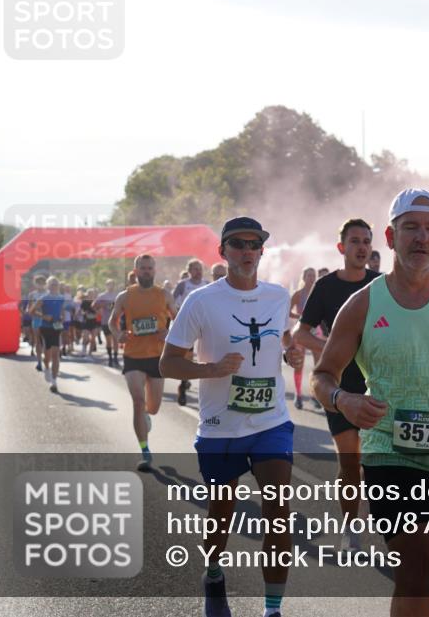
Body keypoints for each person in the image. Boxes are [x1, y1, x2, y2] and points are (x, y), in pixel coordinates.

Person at [311, 189, 429, 616]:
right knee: (414, 569)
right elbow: (321, 377)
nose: (421, 237)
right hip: (390, 453)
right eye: (410, 228)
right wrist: (343, 399)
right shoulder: (363, 303)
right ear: (390, 234)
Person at [161, 216, 303, 617]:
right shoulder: (201, 300)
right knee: (221, 516)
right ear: (223, 252)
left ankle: (272, 609)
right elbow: (168, 363)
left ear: (262, 250)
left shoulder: (278, 296)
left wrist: (291, 352)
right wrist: (210, 370)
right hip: (221, 427)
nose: (246, 251)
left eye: (254, 243)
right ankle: (213, 572)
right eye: (238, 244)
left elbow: (285, 336)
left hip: (271, 423)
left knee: (278, 512)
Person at [292, 218, 380, 551]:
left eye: (366, 241)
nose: (361, 247)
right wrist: (329, 346)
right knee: (349, 461)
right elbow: (302, 333)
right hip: (338, 386)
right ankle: (351, 529)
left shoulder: (381, 285)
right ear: (341, 247)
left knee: (377, 463)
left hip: (377, 385)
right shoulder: (326, 287)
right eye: (355, 241)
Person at [109, 255, 178, 471]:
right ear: (136, 270)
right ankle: (145, 449)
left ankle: (147, 417)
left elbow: (178, 319)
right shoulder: (125, 296)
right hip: (133, 356)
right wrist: (119, 334)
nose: (147, 271)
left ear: (154, 270)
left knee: (153, 408)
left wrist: (168, 332)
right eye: (143, 268)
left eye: (150, 268)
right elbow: (112, 322)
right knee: (138, 402)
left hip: (157, 357)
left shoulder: (163, 294)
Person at [173, 258, 209, 406]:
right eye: (194, 268)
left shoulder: (207, 284)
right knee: (187, 357)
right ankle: (183, 385)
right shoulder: (183, 285)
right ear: (189, 271)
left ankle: (209, 390)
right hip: (187, 326)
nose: (198, 271)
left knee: (206, 357)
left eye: (200, 268)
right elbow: (172, 304)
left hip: (205, 326)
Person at [29, 276, 69, 394]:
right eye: (52, 284)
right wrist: (43, 316)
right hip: (45, 328)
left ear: (58, 286)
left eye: (56, 284)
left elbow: (62, 311)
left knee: (56, 354)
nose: (54, 286)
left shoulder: (61, 298)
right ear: (48, 286)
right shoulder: (44, 298)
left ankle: (54, 382)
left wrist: (61, 317)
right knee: (47, 356)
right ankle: (46, 367)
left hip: (56, 328)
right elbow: (31, 311)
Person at [289, 267, 319, 410]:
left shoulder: (320, 293)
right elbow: (287, 311)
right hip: (300, 331)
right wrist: (299, 317)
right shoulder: (298, 294)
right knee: (299, 364)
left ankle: (314, 395)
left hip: (316, 332)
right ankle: (298, 394)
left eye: (313, 276)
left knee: (318, 366)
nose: (311, 278)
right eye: (309, 275)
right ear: (303, 277)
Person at [93, 279, 121, 367]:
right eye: (109, 284)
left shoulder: (117, 295)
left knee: (115, 340)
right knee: (108, 341)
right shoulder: (102, 296)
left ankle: (115, 358)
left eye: (112, 284)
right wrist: (99, 311)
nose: (110, 286)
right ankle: (110, 358)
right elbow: (94, 305)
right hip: (105, 321)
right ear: (106, 285)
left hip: (116, 321)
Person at [28, 275, 48, 370]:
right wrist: (36, 310)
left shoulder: (49, 294)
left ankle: (46, 359)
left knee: (46, 341)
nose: (40, 285)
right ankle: (39, 362)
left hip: (46, 320)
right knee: (38, 341)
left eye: (42, 283)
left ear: (45, 284)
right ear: (36, 284)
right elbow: (29, 310)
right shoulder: (32, 295)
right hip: (36, 319)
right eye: (38, 283)